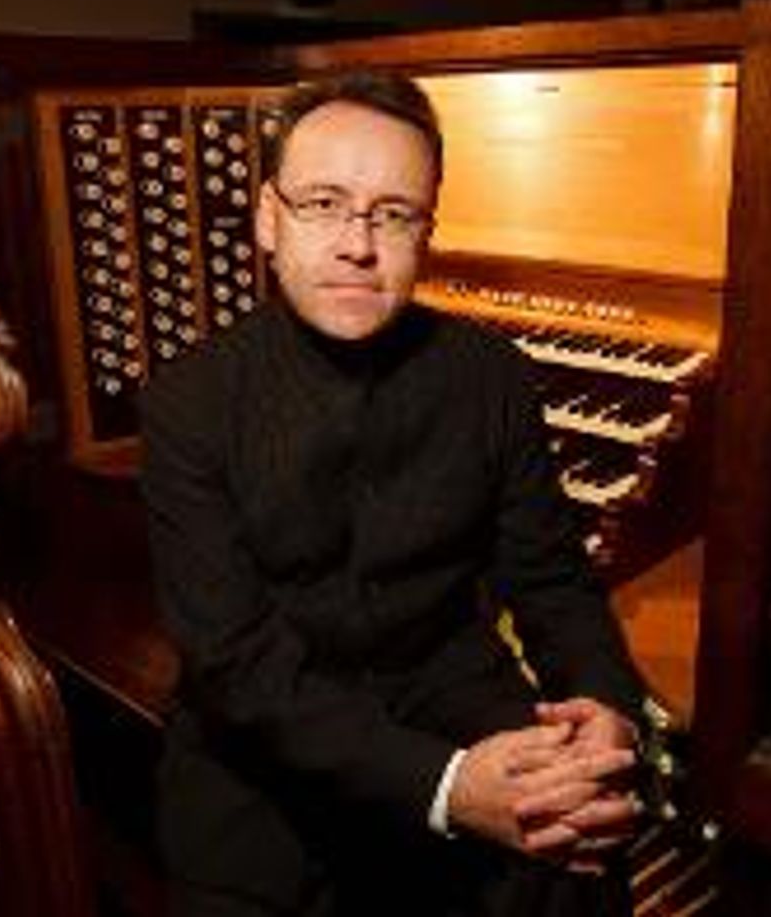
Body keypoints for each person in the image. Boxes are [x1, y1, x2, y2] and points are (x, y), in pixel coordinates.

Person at [141, 70, 645, 917]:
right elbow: (236, 668)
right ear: (269, 217)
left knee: (584, 855)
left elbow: (552, 584)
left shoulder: (493, 379)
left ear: (426, 232)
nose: (358, 243)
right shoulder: (189, 402)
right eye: (325, 203)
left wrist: (605, 707)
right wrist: (447, 787)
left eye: (393, 213)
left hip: (450, 698)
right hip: (259, 763)